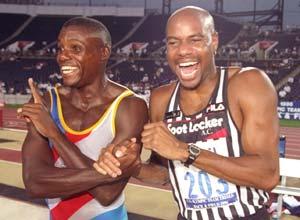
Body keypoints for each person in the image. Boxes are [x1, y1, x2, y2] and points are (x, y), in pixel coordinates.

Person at [95, 6, 280, 219]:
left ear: (214, 41)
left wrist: (185, 151)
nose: (183, 50)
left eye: (195, 40)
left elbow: (268, 174)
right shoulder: (161, 99)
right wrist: (131, 166)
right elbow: (164, 173)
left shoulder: (247, 83)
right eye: (174, 42)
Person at [18, 17, 148, 220]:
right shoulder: (45, 102)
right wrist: (105, 175)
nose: (62, 57)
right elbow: (35, 183)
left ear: (103, 52)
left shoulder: (129, 106)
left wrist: (54, 133)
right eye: (61, 48)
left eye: (75, 48)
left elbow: (108, 194)